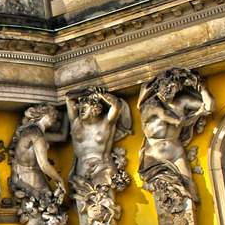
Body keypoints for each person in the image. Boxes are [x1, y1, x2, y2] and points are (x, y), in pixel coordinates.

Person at [137, 68, 214, 203]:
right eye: (168, 88)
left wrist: (199, 87)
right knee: (166, 199)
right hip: (155, 159)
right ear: (161, 87)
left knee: (189, 191)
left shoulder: (181, 101)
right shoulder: (152, 106)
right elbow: (178, 122)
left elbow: (209, 107)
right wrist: (198, 114)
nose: (171, 92)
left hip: (177, 153)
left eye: (174, 88)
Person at [66, 87, 132, 193]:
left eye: (85, 108)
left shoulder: (106, 122)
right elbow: (68, 98)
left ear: (95, 109)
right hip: (81, 173)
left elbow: (117, 105)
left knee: (105, 205)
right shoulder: (76, 122)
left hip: (103, 169)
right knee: (86, 208)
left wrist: (102, 95)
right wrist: (86, 91)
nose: (81, 111)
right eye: (81, 108)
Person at [8, 104, 68, 200]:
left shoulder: (39, 133)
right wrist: (59, 179)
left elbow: (62, 136)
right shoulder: (35, 132)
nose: (54, 117)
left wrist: (67, 112)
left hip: (34, 176)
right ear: (42, 114)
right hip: (28, 178)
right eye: (51, 114)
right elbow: (43, 164)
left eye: (55, 116)